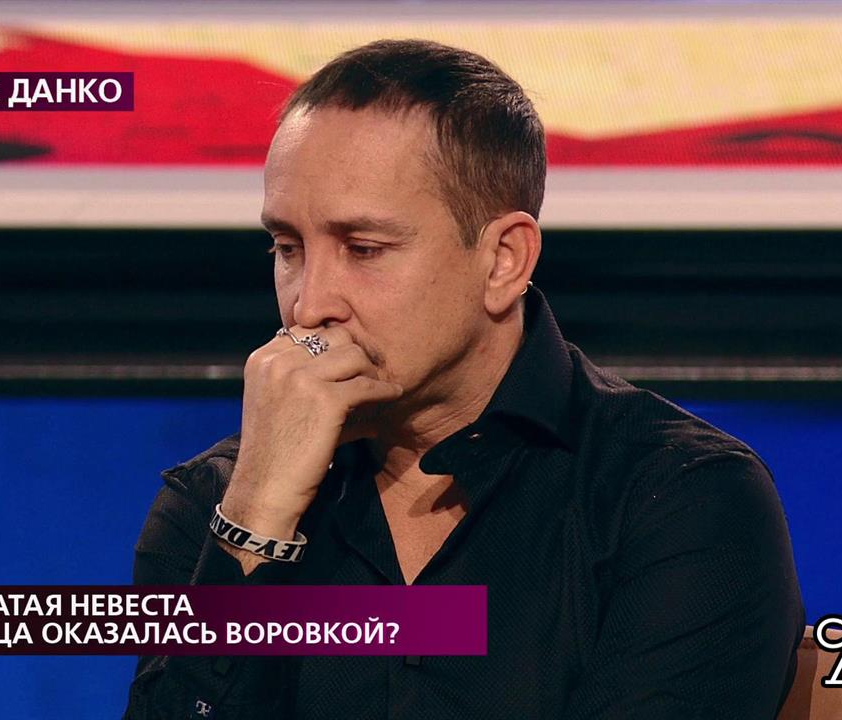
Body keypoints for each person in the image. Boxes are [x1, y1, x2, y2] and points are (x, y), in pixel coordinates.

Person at [124, 39, 804, 720]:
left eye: (364, 249)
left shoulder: (677, 498)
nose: (309, 305)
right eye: (288, 248)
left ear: (504, 260)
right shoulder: (215, 506)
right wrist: (255, 521)